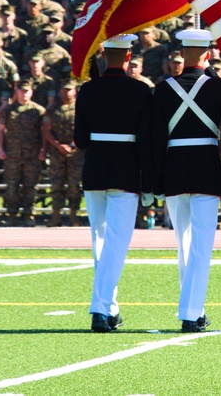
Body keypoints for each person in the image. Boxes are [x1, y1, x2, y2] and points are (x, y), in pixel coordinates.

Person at [151, 29, 221, 333]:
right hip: (206, 168)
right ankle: (191, 312)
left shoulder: (163, 88)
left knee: (183, 244)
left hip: (173, 168)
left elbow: (157, 139)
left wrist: (157, 180)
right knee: (201, 244)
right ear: (209, 55)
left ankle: (192, 307)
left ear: (181, 55)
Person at [73, 34, 153, 333]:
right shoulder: (141, 91)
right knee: (116, 244)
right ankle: (99, 308)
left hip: (95, 169)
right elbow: (145, 143)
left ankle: (109, 308)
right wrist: (148, 179)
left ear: (104, 54)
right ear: (129, 57)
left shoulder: (88, 90)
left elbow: (80, 140)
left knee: (101, 242)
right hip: (126, 170)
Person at [0, 80, 47, 226]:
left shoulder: (38, 110)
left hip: (32, 155)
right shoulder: (7, 110)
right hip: (12, 155)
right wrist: (0, 149)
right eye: (21, 91)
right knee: (12, 187)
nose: (24, 94)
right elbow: (0, 130)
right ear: (16, 92)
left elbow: (44, 132)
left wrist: (43, 150)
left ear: (31, 92)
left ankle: (28, 215)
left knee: (30, 187)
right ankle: (11, 214)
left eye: (27, 91)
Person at [42, 80, 82, 226]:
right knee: (56, 185)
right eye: (64, 90)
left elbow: (85, 129)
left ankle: (73, 215)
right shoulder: (53, 109)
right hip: (56, 153)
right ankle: (56, 216)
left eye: (69, 90)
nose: (67, 92)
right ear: (60, 91)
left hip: (76, 153)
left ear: (75, 91)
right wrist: (59, 145)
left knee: (74, 185)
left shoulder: (82, 107)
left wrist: (71, 145)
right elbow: (46, 129)